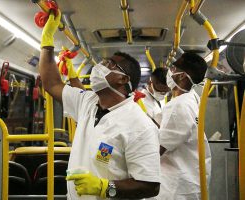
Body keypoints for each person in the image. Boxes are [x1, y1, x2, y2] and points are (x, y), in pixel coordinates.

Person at [39, 10, 160, 199]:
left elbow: (150, 186)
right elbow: (52, 83)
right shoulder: (87, 102)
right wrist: (47, 42)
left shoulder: (140, 126)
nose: (99, 67)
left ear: (123, 79)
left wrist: (105, 187)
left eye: (109, 65)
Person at [153, 52, 211, 200]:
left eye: (173, 68)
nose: (169, 72)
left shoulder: (178, 106)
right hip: (190, 178)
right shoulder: (191, 98)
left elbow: (157, 149)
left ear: (182, 76)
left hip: (176, 187)